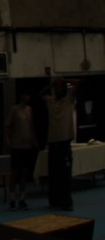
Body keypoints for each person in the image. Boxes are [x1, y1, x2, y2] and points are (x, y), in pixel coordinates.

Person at [41, 76, 79, 211]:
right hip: (53, 143)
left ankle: (67, 202)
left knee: (65, 175)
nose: (57, 90)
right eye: (55, 89)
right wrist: (52, 84)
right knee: (54, 174)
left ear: (63, 89)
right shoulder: (51, 102)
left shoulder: (68, 100)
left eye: (59, 88)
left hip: (64, 143)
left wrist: (63, 81)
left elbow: (77, 83)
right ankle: (55, 200)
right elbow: (41, 94)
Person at [3, 90, 37, 210]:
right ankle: (12, 199)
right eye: (25, 95)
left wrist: (34, 141)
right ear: (22, 96)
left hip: (26, 146)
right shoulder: (15, 109)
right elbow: (7, 125)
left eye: (28, 95)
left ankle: (22, 199)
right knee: (14, 173)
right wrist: (8, 140)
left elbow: (31, 127)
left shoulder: (29, 110)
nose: (27, 97)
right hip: (17, 146)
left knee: (24, 173)